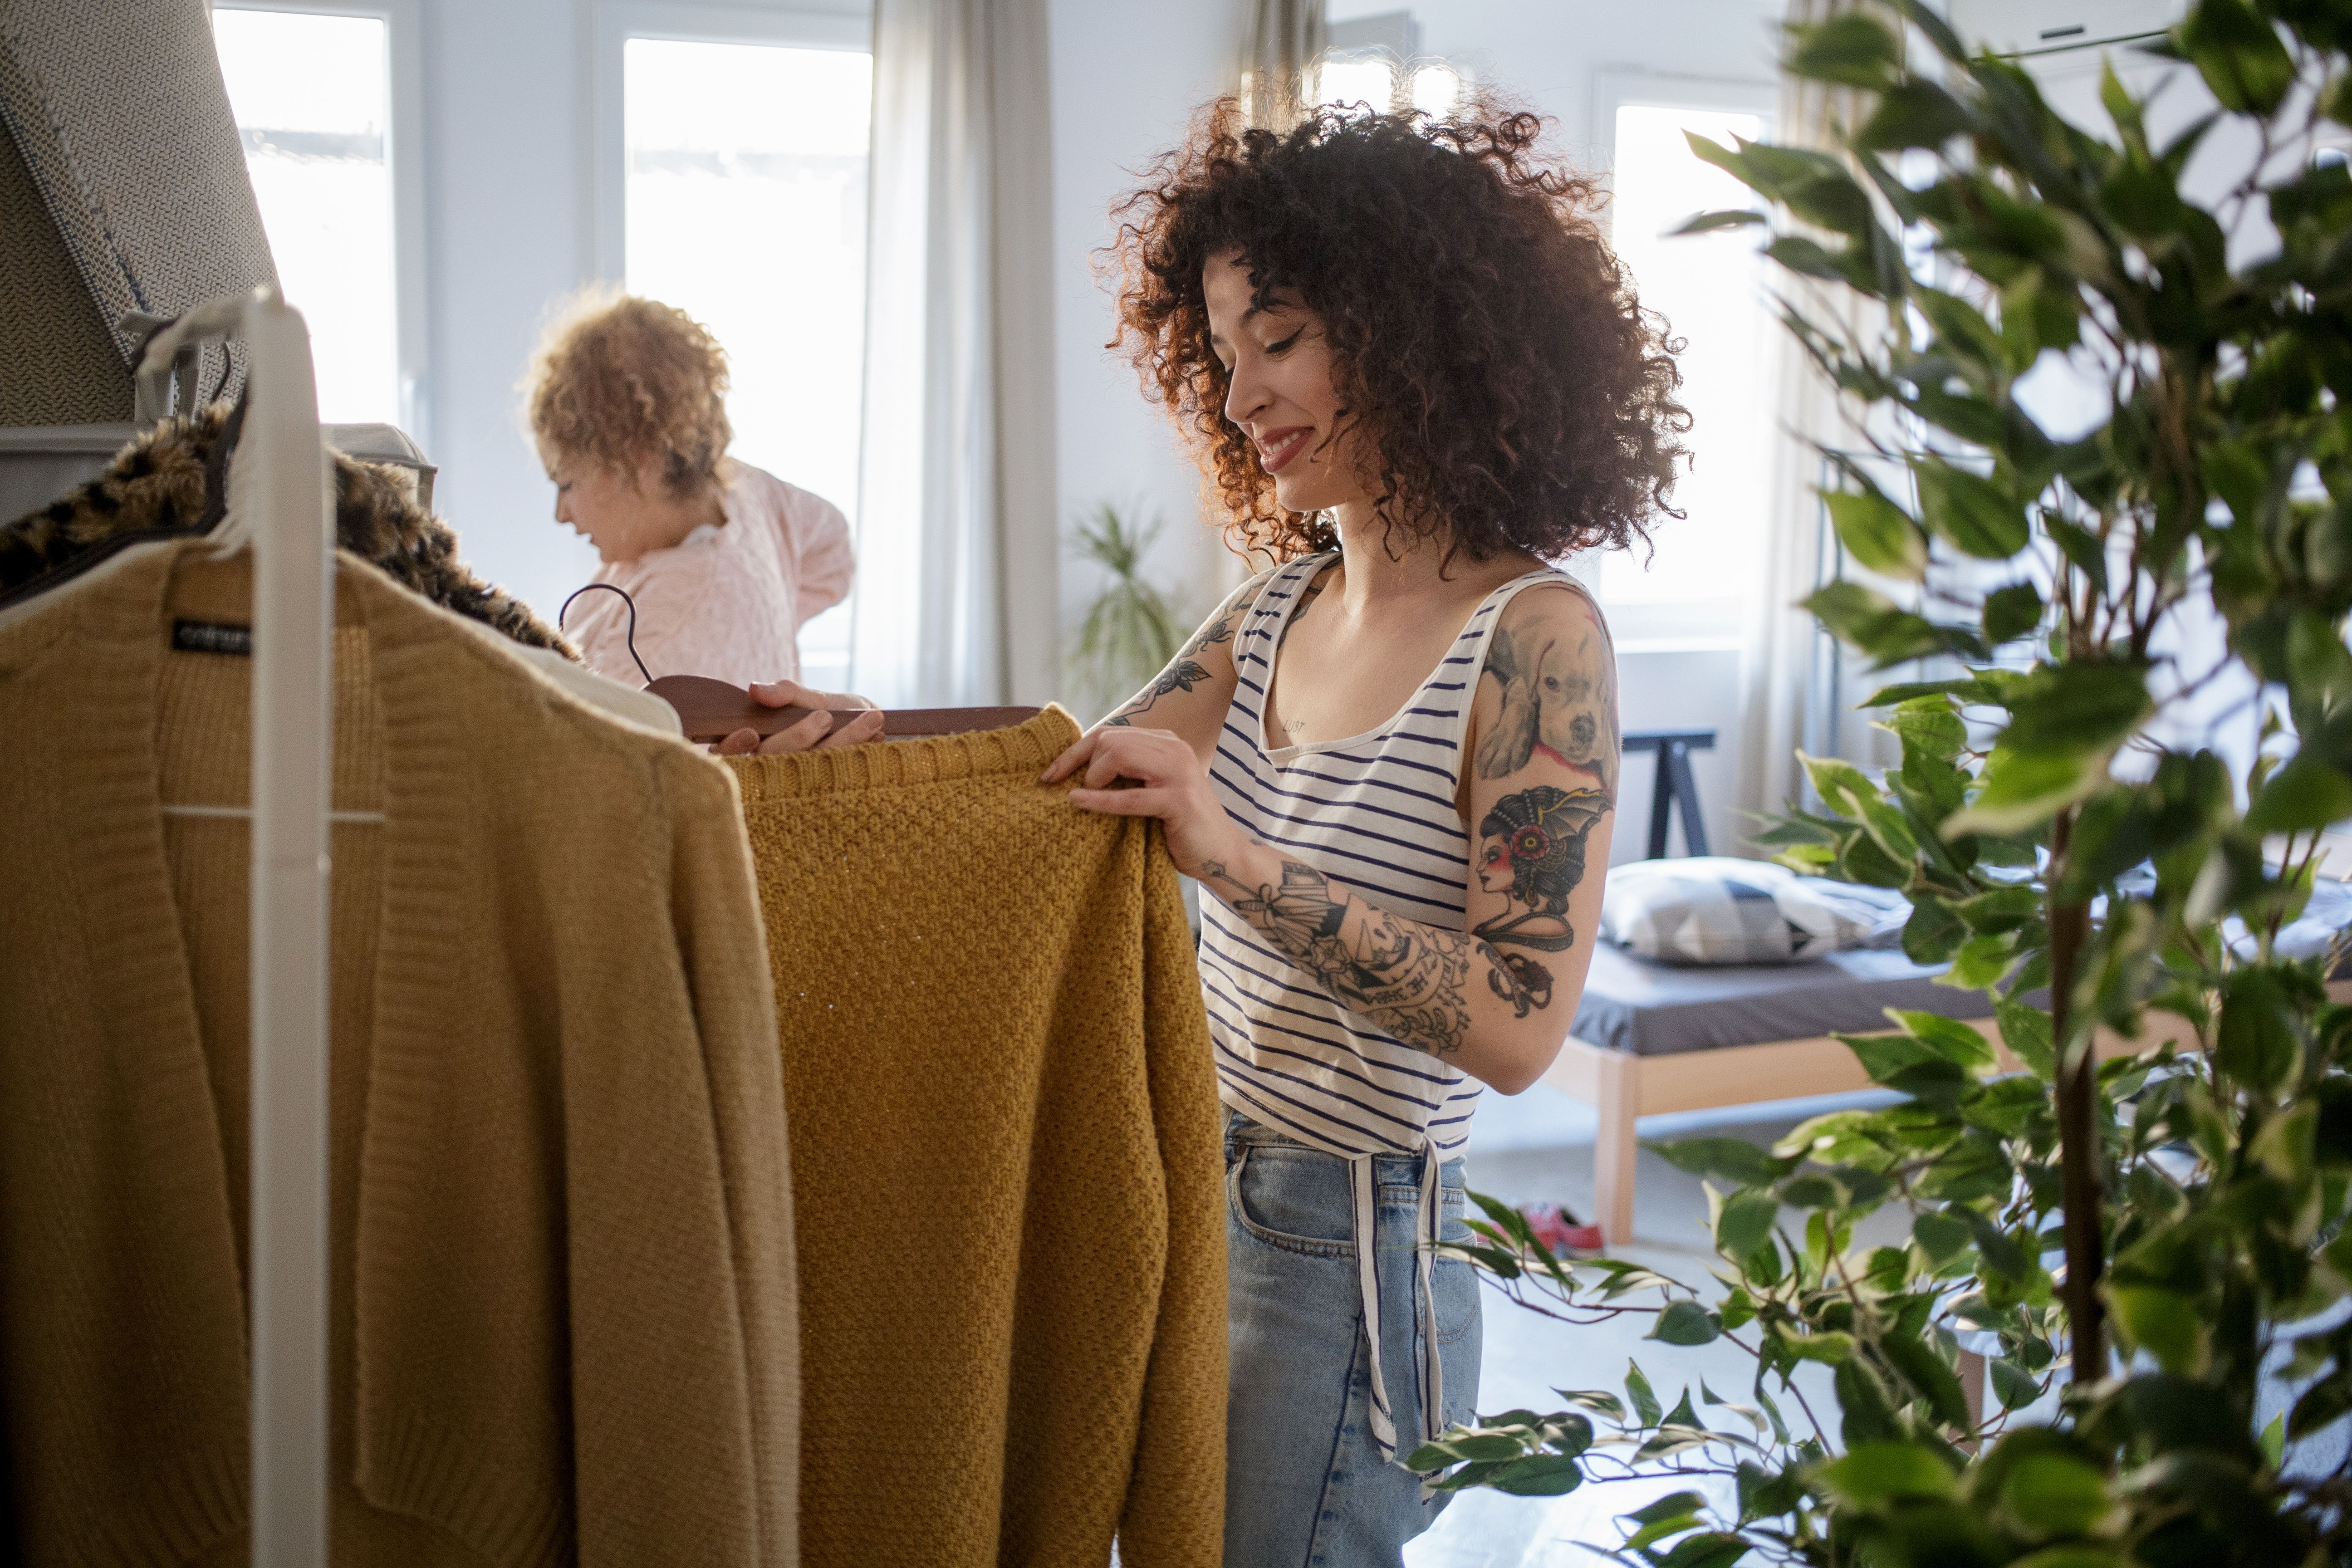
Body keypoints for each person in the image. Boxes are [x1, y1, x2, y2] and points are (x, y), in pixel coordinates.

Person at [1041, 98, 1689, 1564]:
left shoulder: (1533, 641)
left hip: (1343, 1239)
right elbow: (1076, 776)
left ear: (1410, 331)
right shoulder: (1273, 609)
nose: (1242, 394)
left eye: (1278, 337)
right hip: (1192, 1176)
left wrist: (1240, 862)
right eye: (1221, 358)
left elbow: (1519, 1026)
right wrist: (854, 735)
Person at [524, 291, 857, 696]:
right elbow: (834, 551)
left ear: (638, 461)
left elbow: (582, 749)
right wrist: (766, 629)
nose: (561, 513)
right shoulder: (747, 492)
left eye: (566, 484)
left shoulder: (665, 634)